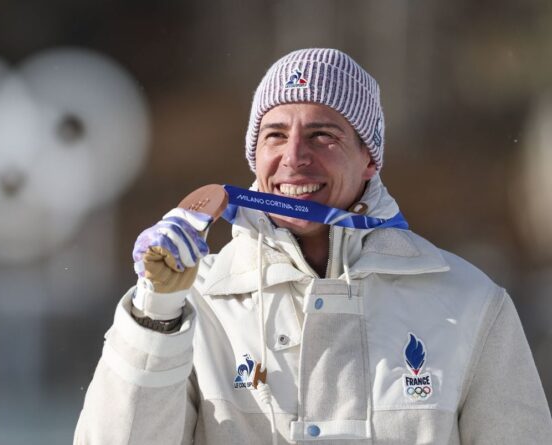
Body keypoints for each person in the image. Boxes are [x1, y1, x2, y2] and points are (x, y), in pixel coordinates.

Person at [73, 48, 552, 444]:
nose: (294, 156)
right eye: (275, 135)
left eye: (323, 135)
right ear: (255, 156)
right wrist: (155, 314)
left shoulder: (469, 303)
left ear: (369, 159)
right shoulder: (200, 306)